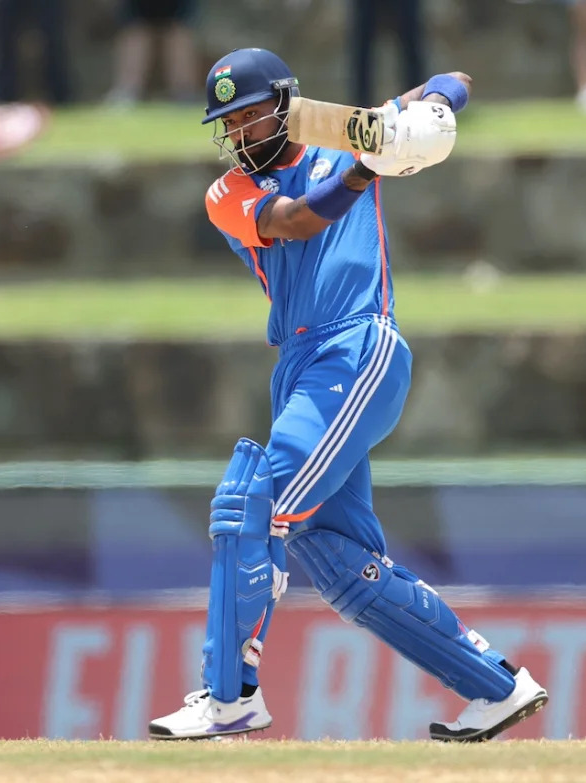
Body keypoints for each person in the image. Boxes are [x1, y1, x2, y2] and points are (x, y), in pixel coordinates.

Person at [147, 48, 549, 743]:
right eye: (228, 124)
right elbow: (296, 220)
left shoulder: (346, 139)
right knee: (335, 558)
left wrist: (427, 114)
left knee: (253, 505)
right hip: (304, 365)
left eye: (249, 116)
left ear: (284, 103)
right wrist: (370, 166)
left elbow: (458, 79)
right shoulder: (227, 194)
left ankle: (229, 695)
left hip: (357, 346)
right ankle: (497, 686)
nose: (240, 135)